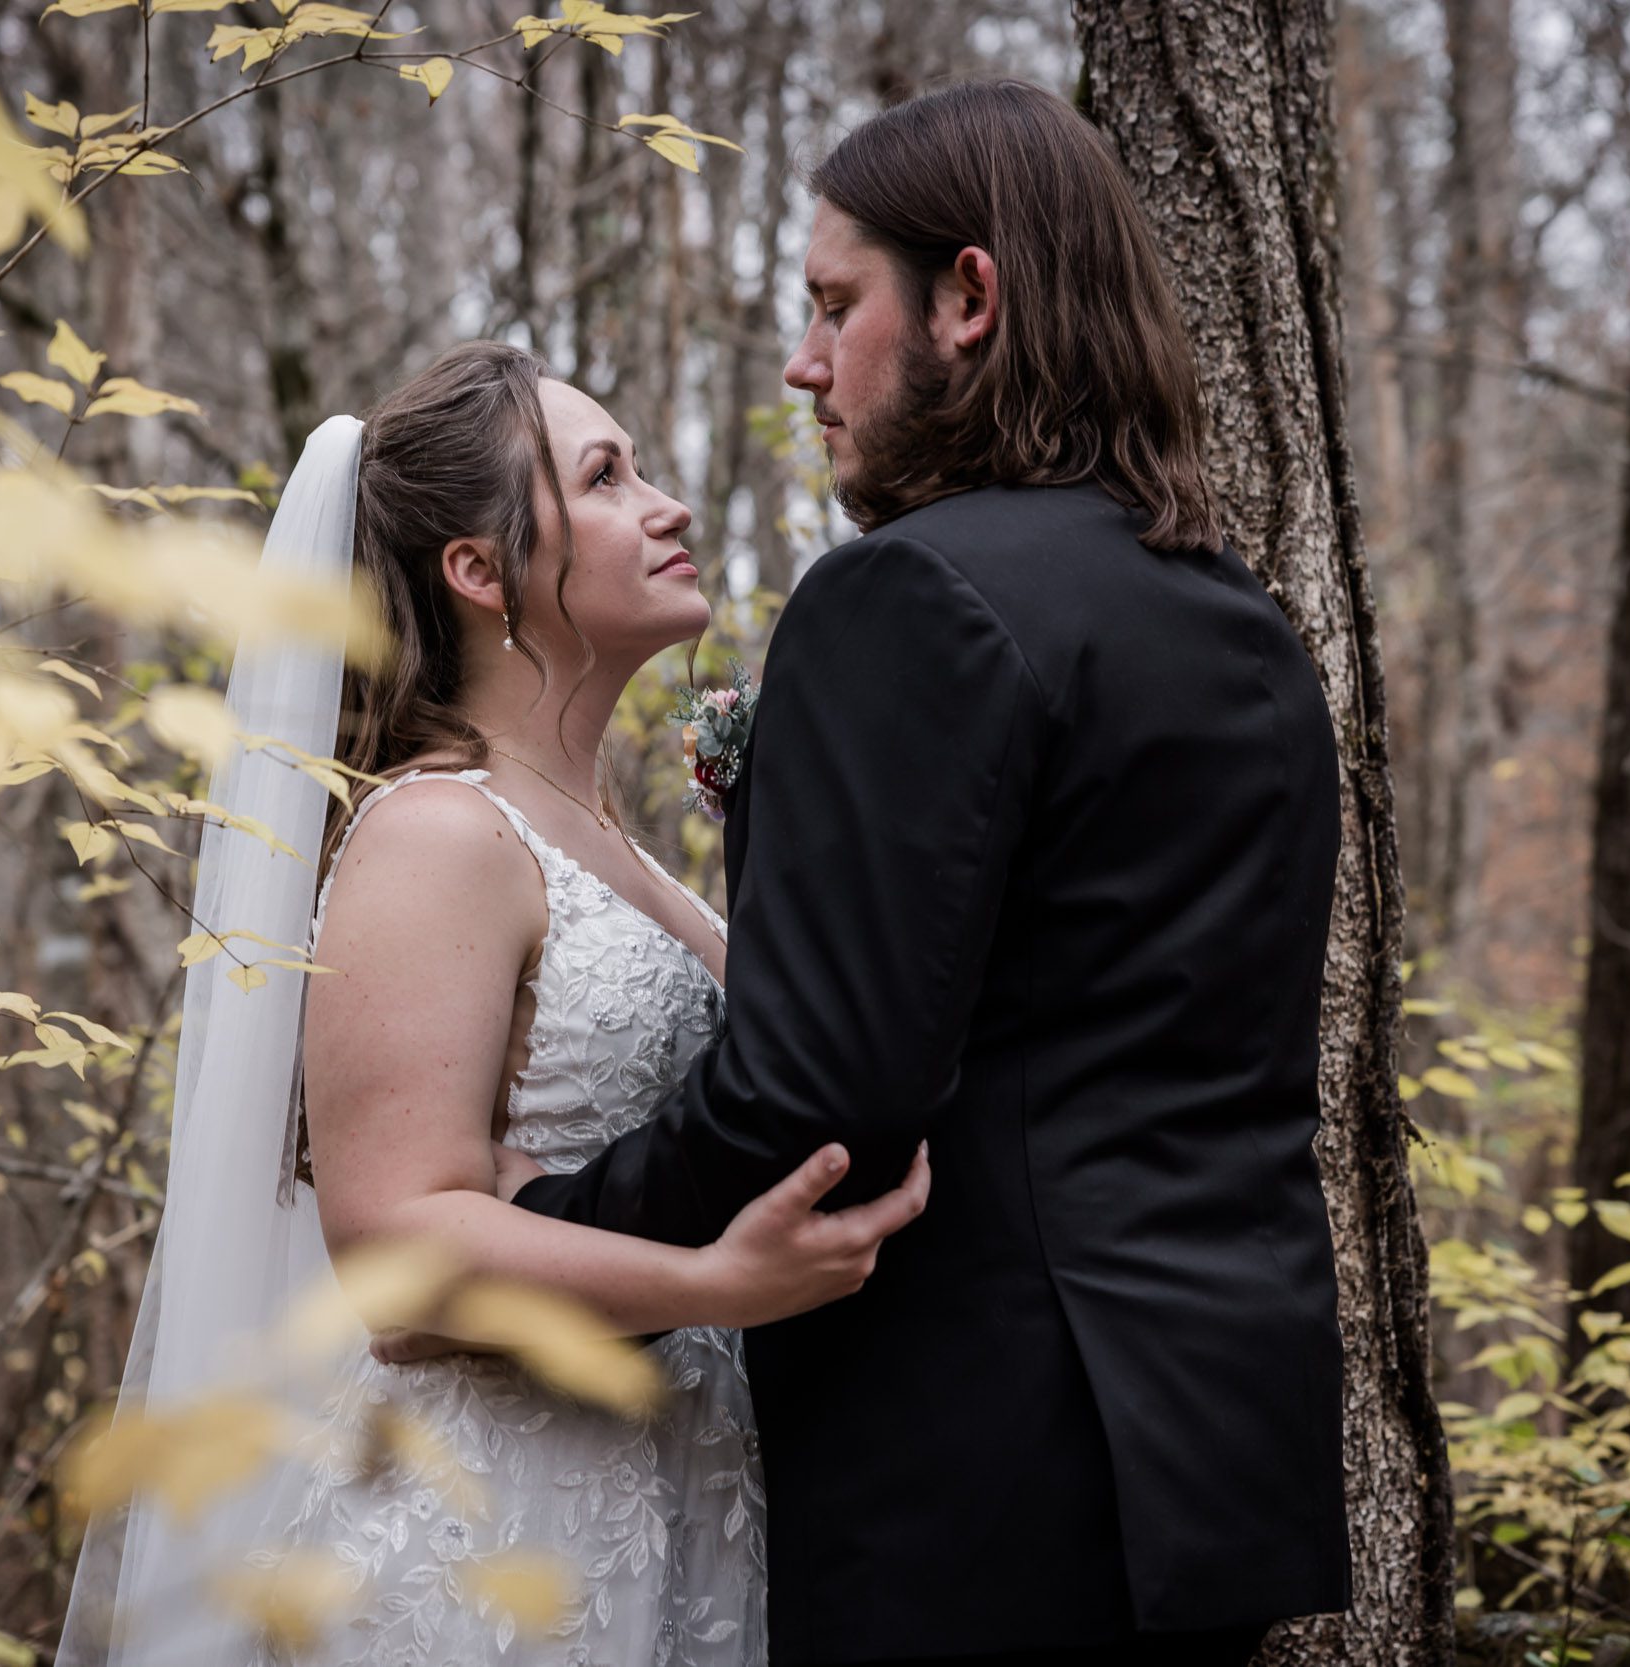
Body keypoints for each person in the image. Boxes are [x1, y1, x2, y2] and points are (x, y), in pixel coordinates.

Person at [499, 79, 1355, 1667]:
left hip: (976, 1480)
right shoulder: (1237, 622)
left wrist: (546, 1230)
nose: (803, 362)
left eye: (836, 307)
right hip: (1211, 1472)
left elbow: (820, 1094)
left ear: (971, 298)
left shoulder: (908, 601)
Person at [60, 342, 930, 1667]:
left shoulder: (611, 845)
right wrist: (716, 1284)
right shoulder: (437, 834)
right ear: (477, 571)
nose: (669, 505)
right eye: (605, 476)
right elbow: (398, 1244)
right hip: (490, 1543)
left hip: (667, 1505)